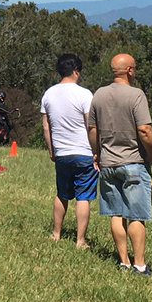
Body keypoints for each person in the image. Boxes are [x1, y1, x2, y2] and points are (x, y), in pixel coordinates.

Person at [88, 53, 152, 276]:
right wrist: (151, 152)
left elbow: (92, 130)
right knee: (136, 214)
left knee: (116, 213)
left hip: (108, 162)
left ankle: (124, 261)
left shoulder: (98, 95)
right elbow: (145, 130)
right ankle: (140, 264)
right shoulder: (136, 95)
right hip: (133, 161)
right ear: (129, 71)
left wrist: (97, 153)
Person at [41, 54, 96, 248]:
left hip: (62, 152)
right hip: (83, 152)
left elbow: (46, 127)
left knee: (62, 194)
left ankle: (56, 233)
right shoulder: (85, 94)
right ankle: (80, 240)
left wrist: (52, 150)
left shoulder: (48, 94)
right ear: (76, 71)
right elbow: (90, 126)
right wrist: (96, 151)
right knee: (83, 196)